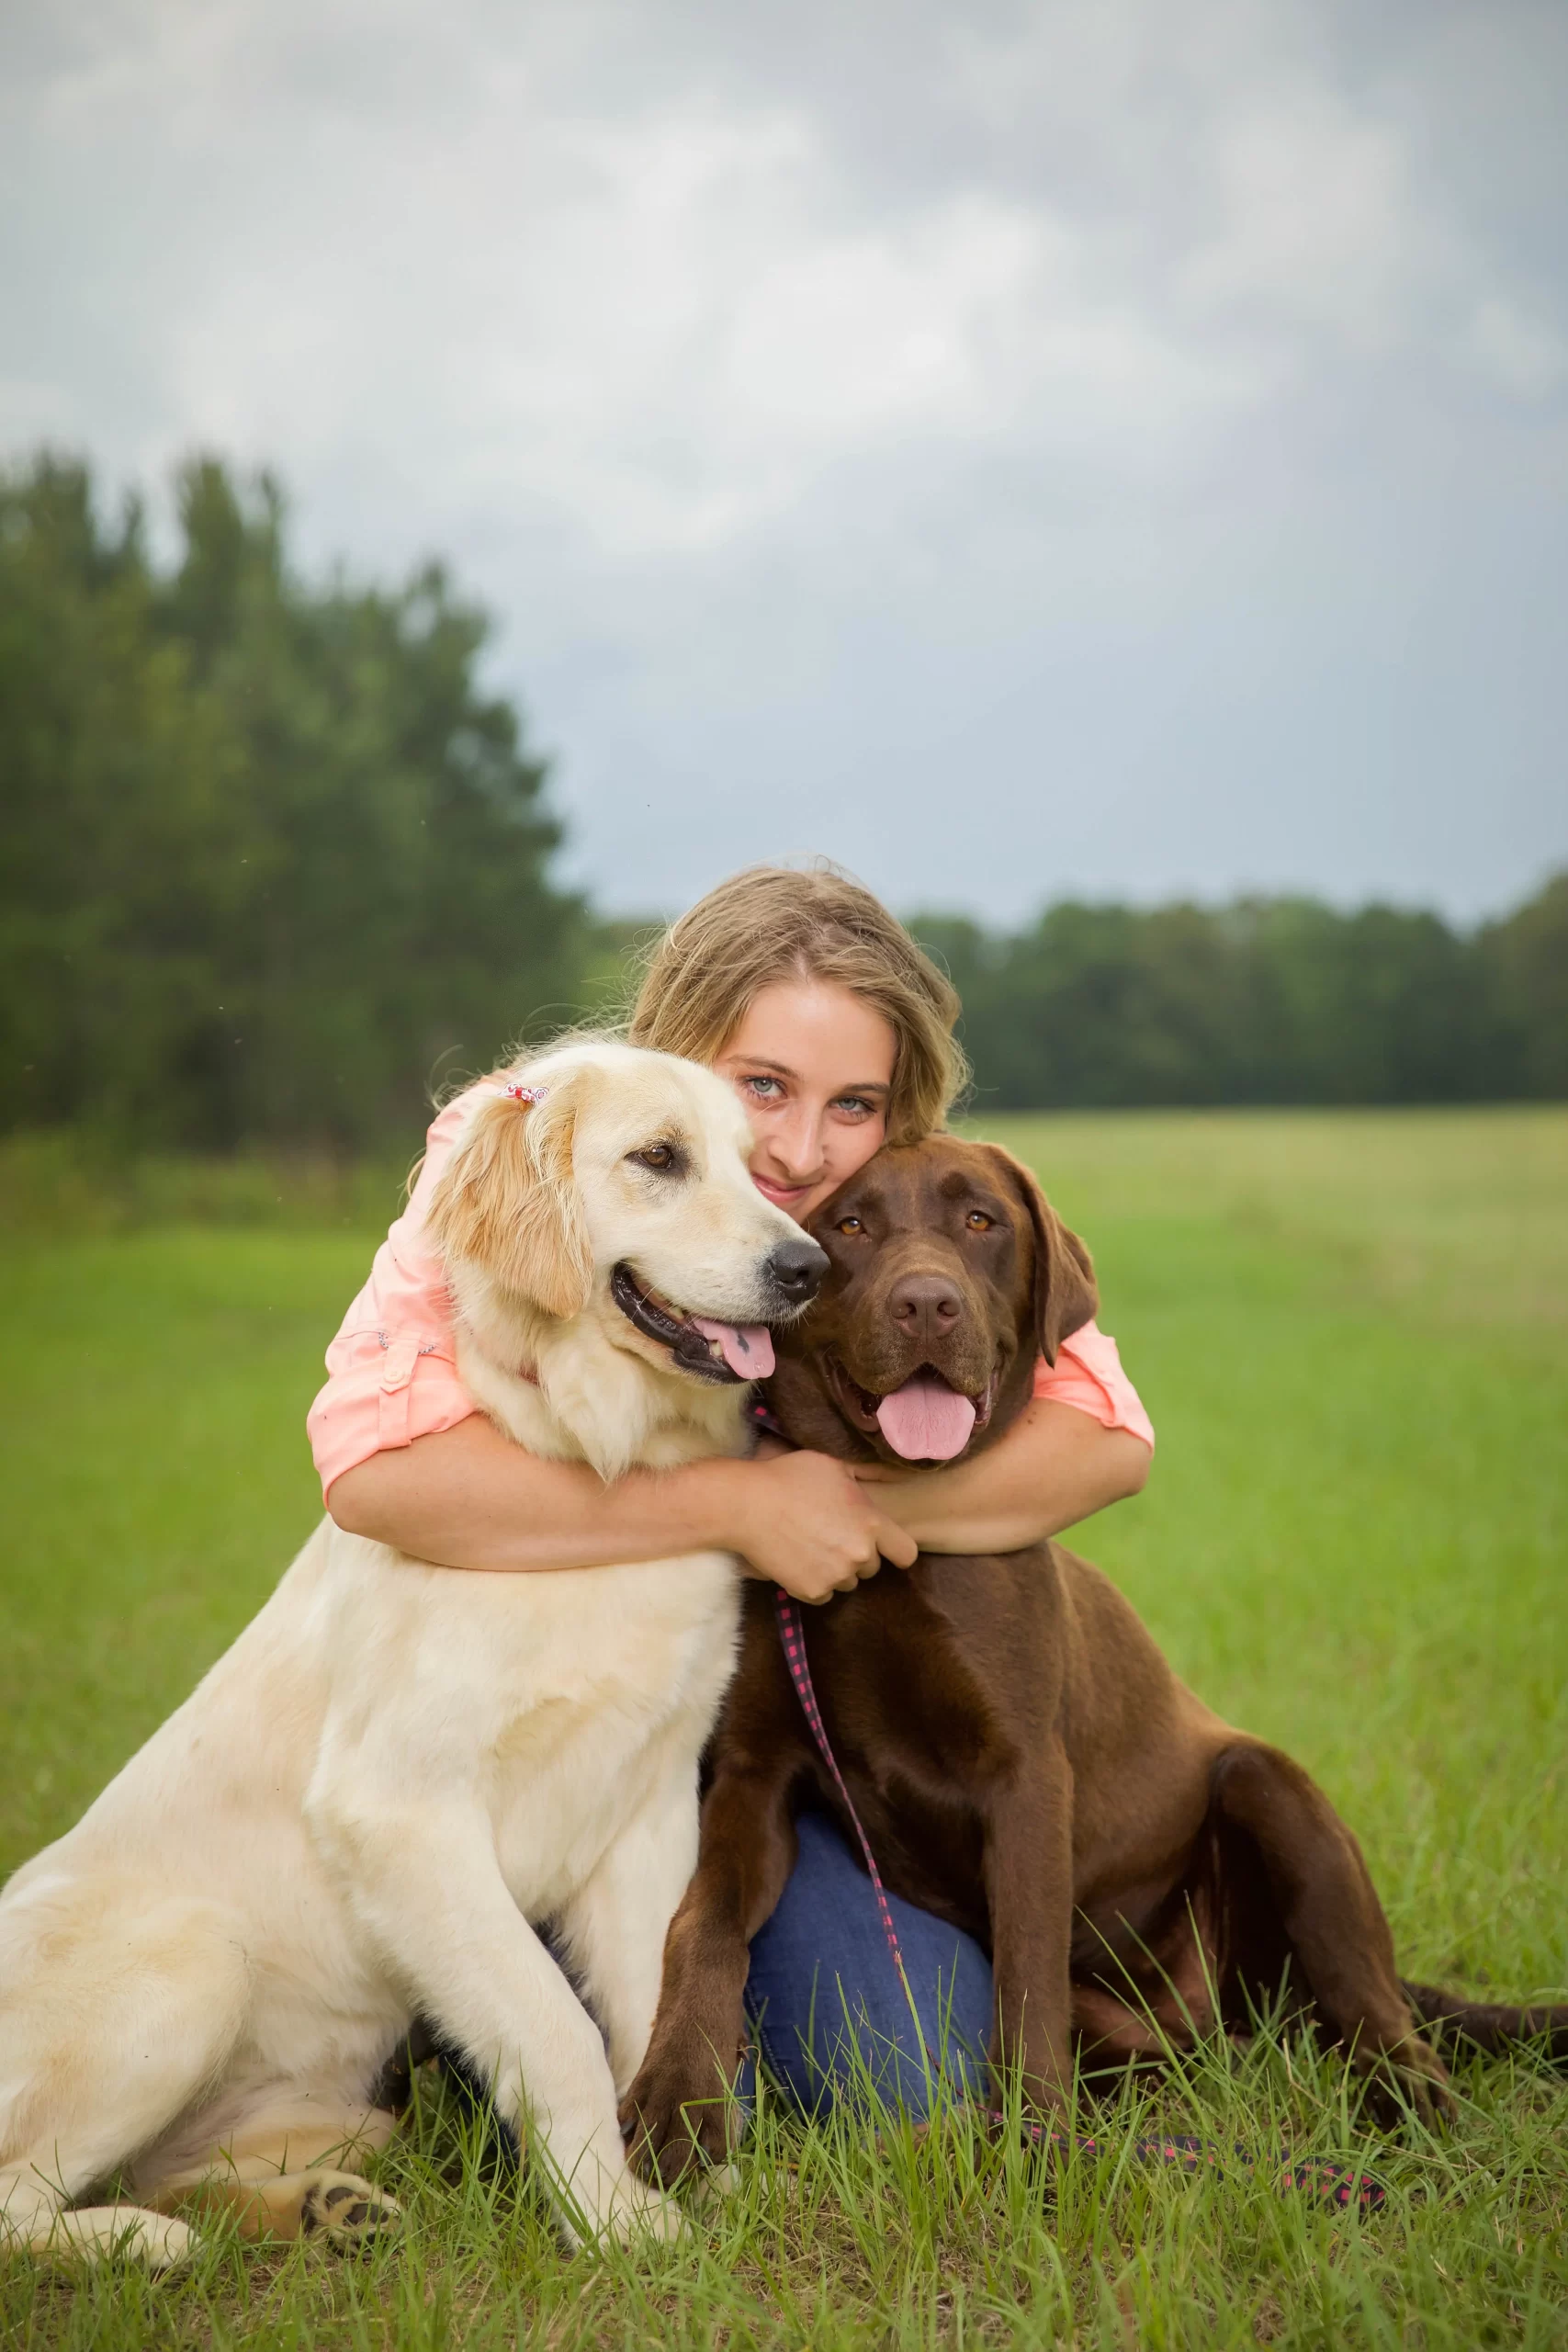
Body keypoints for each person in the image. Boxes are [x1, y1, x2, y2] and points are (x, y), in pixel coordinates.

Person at [310, 865, 1155, 2121]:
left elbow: (1101, 1437)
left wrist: (852, 1516)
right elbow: (374, 1468)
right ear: (678, 1052)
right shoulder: (536, 1139)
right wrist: (735, 1513)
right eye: (762, 1086)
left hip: (767, 1758)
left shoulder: (886, 1218)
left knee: (907, 2070)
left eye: (854, 1103)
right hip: (542, 1720)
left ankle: (603, 1988)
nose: (801, 1150)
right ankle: (494, 1983)